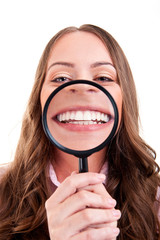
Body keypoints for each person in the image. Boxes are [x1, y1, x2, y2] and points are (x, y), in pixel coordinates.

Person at [0, 24, 159, 240]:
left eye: (103, 78)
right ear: (39, 100)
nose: (82, 88)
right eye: (61, 78)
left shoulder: (155, 200)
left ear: (124, 101)